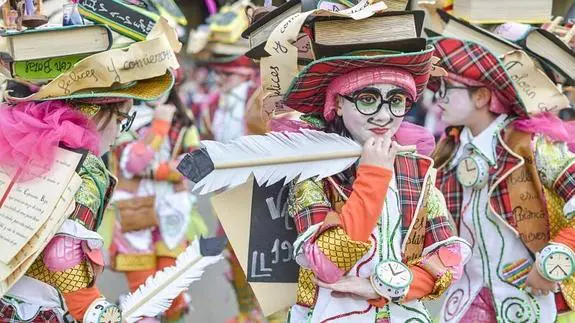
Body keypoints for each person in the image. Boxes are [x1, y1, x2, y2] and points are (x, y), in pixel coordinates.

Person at [280, 36, 470, 323]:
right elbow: (326, 264)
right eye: (368, 100)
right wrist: (374, 175)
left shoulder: (416, 168)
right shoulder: (312, 171)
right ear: (339, 104)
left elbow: (449, 255)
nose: (384, 116)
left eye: (395, 101)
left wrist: (383, 287)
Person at [429, 36, 575, 322]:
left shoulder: (532, 145)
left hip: (530, 298)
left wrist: (551, 264)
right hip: (465, 301)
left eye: (448, 89)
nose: (438, 98)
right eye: (438, 89)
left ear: (481, 96)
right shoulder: (449, 152)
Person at [108, 67, 206, 323]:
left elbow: (197, 164)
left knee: (171, 290)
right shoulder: (126, 117)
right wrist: (159, 126)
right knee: (143, 296)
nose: (156, 90)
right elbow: (131, 164)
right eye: (148, 83)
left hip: (173, 209)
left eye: (161, 83)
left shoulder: (184, 120)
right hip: (135, 209)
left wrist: (157, 172)